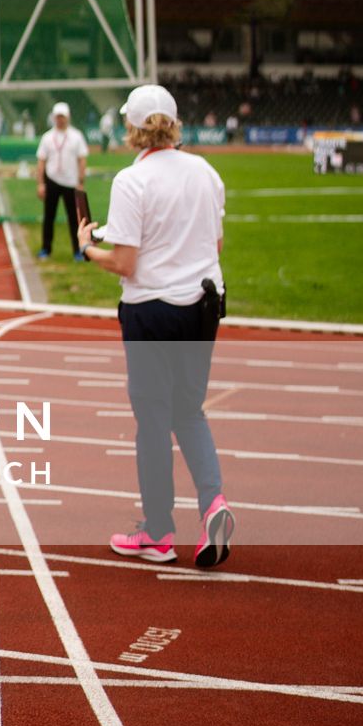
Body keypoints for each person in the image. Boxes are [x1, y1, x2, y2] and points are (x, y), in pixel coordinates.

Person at [78, 83, 234, 572]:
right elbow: (215, 243)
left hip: (151, 310)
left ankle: (159, 532)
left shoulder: (132, 180)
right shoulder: (206, 172)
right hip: (203, 305)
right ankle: (213, 503)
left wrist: (88, 248)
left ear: (131, 128)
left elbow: (125, 263)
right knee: (190, 411)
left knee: (152, 421)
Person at [35, 101, 89, 262]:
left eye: (63, 117)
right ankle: (46, 248)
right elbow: (41, 161)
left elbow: (82, 160)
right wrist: (40, 183)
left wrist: (80, 181)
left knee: (74, 218)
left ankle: (78, 250)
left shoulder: (76, 136)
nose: (60, 120)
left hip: (71, 182)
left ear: (68, 117)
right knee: (49, 217)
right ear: (54, 117)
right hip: (51, 180)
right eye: (58, 117)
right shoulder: (47, 137)